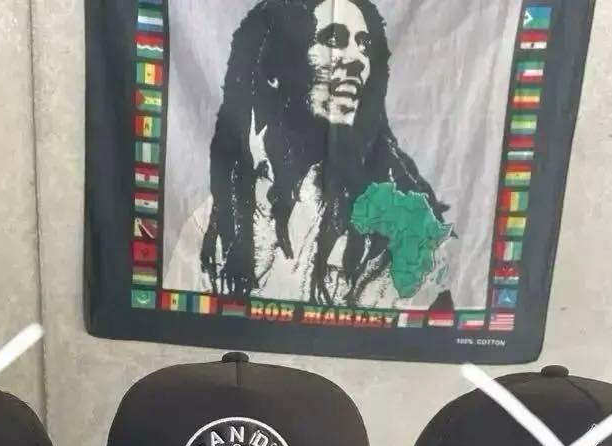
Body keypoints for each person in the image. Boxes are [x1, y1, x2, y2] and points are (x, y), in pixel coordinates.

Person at [166, 0, 455, 309]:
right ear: (275, 68)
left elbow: (427, 326)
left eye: (364, 44)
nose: (358, 59)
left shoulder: (403, 212)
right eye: (334, 39)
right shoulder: (220, 222)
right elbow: (177, 325)